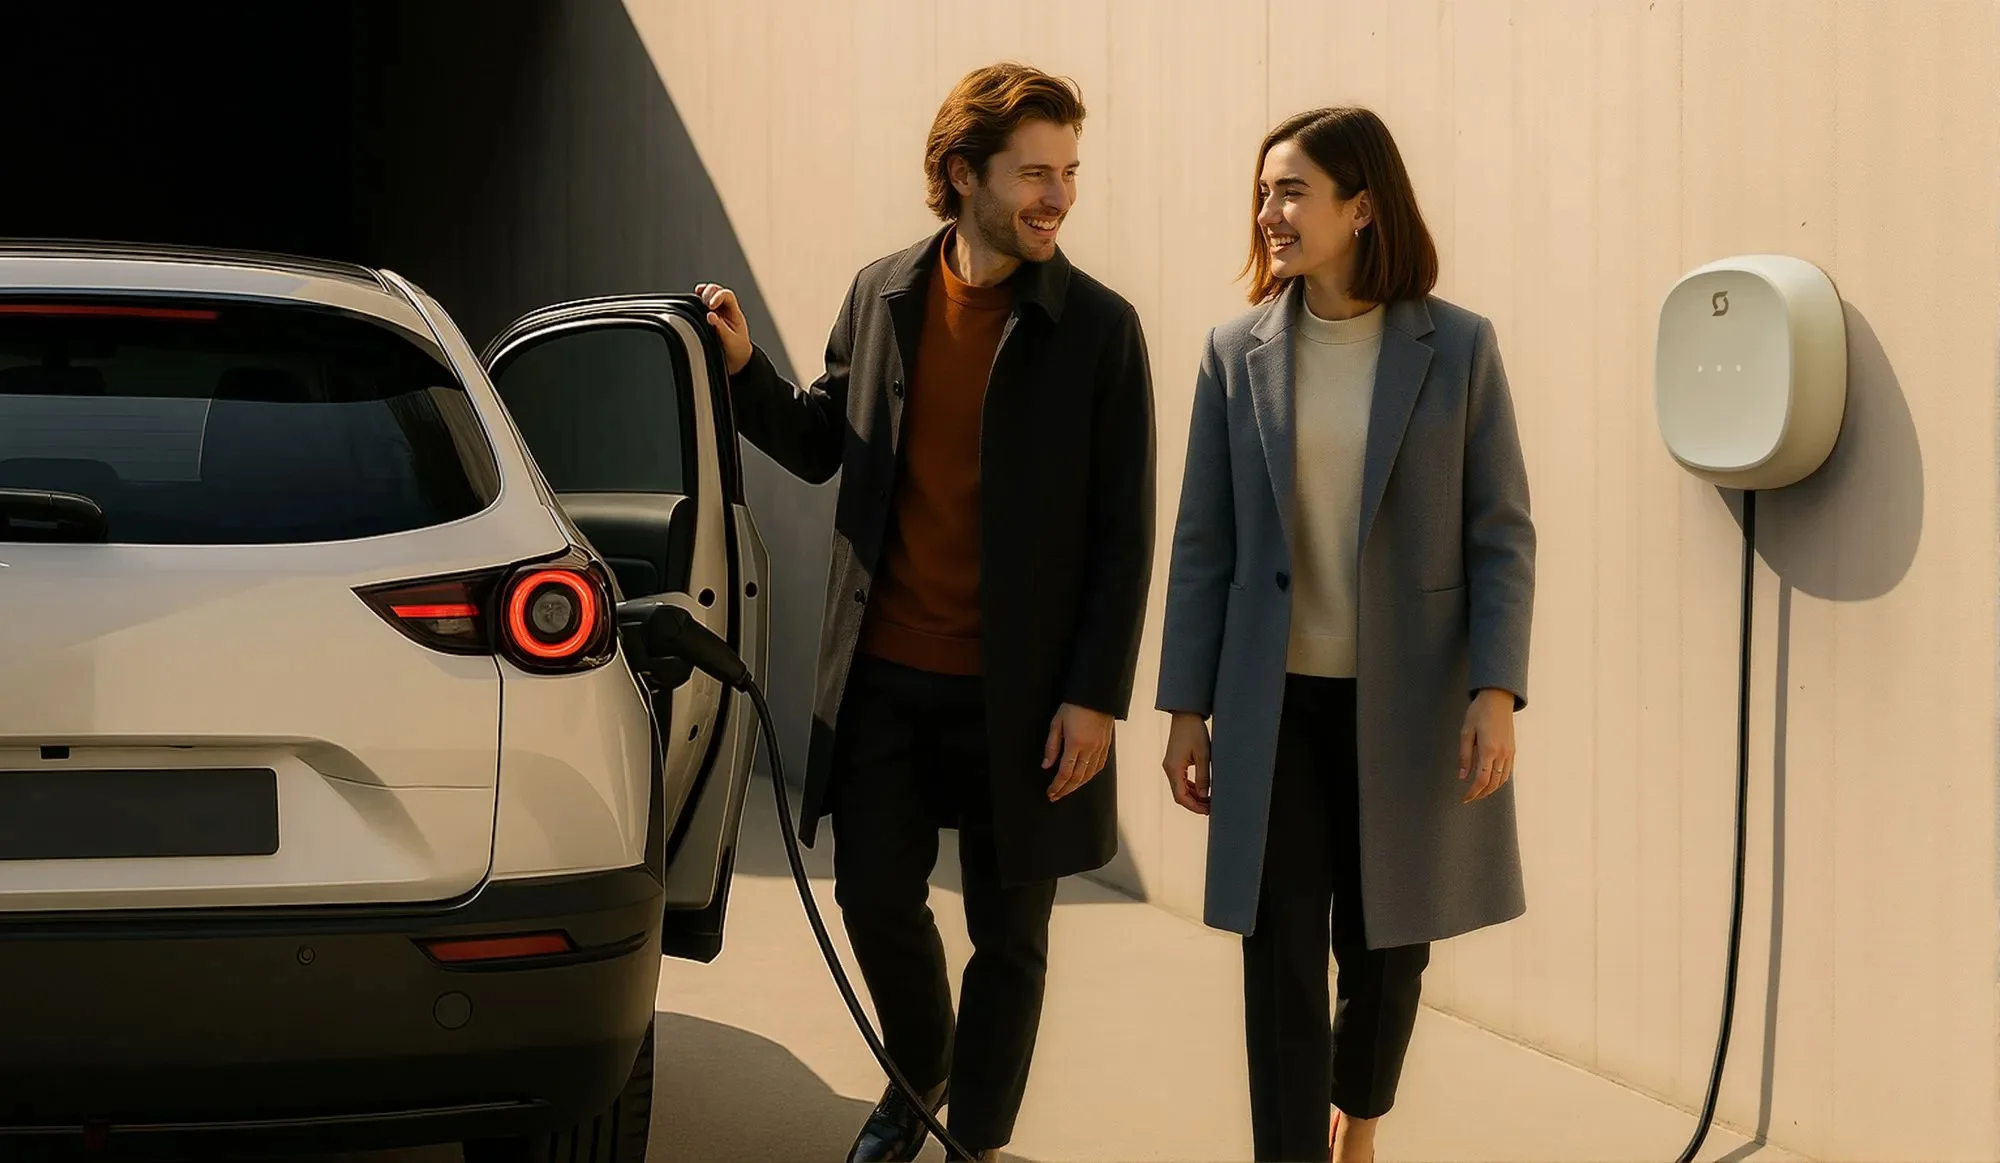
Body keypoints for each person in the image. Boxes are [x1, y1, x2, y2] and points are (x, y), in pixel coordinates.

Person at [696, 61, 1155, 1163]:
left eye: (1068, 172)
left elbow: (1121, 532)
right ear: (961, 174)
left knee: (1011, 935)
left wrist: (1094, 696)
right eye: (1033, 172)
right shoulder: (883, 293)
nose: (1058, 195)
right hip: (887, 677)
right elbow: (820, 443)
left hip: (1025, 691)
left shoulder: (1100, 330)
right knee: (869, 895)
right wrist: (746, 367)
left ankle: (973, 1142)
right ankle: (920, 1068)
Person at [1155, 106, 1536, 1163]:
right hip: (1272, 704)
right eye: (1263, 191)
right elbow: (1202, 542)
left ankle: (1356, 1112)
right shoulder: (1234, 351)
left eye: (1292, 191)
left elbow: (1498, 532)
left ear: (1359, 206)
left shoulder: (1454, 345)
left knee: (1387, 950)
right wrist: (1184, 706)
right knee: (1276, 952)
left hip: (1405, 704)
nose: (1269, 212)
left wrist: (1493, 689)